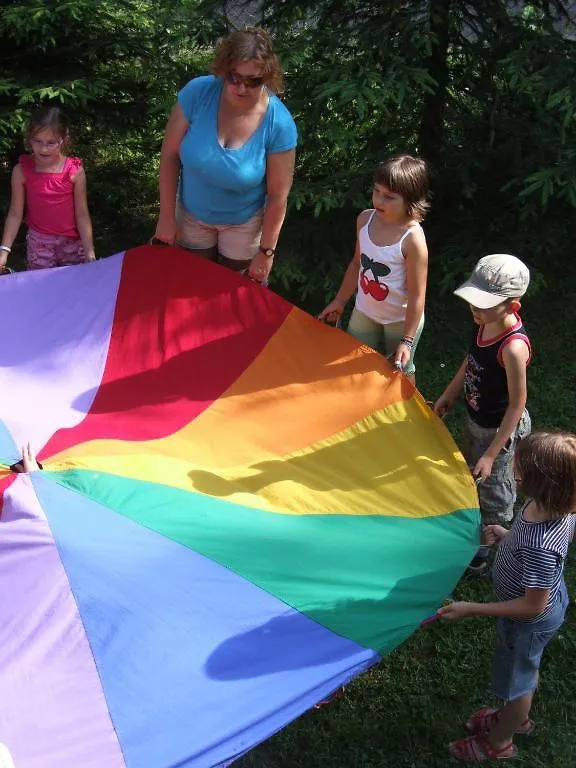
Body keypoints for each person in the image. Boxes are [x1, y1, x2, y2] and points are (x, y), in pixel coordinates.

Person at [438, 430, 576, 762]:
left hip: (527, 621)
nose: (514, 468)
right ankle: (515, 715)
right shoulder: (548, 505)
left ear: (540, 483)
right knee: (522, 671)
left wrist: (473, 608)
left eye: (520, 467)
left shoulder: (542, 547)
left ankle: (502, 738)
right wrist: (509, 536)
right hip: (531, 614)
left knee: (519, 684)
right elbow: (528, 540)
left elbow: (533, 604)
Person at [153, 27, 297, 283]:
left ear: (268, 76)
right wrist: (166, 217)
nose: (242, 88)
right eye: (234, 78)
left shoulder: (279, 123)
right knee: (185, 286)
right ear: (223, 69)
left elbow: (278, 198)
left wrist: (266, 252)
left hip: (244, 224)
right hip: (190, 215)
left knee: (236, 298)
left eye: (253, 81)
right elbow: (169, 155)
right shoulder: (198, 93)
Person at [434, 254, 532, 574]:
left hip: (499, 432)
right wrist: (449, 393)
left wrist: (492, 454)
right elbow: (471, 360)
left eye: (483, 304)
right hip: (476, 420)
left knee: (495, 491)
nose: (475, 309)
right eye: (473, 302)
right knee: (473, 474)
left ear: (512, 306)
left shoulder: (513, 347)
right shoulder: (484, 324)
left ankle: (488, 550)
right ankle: (476, 524)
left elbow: (517, 404)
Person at [318, 155, 429, 382]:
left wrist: (406, 341)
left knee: (400, 371)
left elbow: (418, 297)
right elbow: (356, 264)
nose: (379, 200)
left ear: (410, 201)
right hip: (365, 311)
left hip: (401, 320)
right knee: (350, 361)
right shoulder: (365, 220)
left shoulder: (412, 239)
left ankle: (405, 415)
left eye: (389, 197)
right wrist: (340, 301)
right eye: (377, 191)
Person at [0, 105, 96, 270]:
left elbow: (82, 214)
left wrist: (89, 253)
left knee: (74, 289)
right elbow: (15, 214)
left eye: (51, 143)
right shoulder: (22, 171)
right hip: (39, 245)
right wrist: (4, 252)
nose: (43, 149)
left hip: (72, 245)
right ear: (30, 138)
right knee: (41, 290)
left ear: (64, 140)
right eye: (38, 141)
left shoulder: (74, 172)